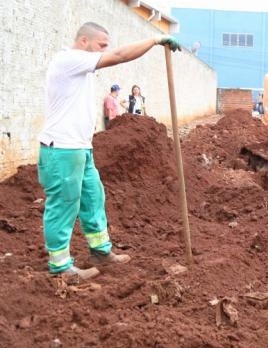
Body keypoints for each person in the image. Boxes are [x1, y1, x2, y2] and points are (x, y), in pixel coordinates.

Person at [37, 22, 180, 282]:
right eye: (101, 45)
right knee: (64, 205)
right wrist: (155, 40)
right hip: (62, 149)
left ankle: (100, 251)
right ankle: (60, 268)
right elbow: (119, 56)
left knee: (93, 197)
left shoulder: (81, 67)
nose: (105, 50)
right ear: (84, 41)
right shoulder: (70, 59)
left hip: (81, 148)